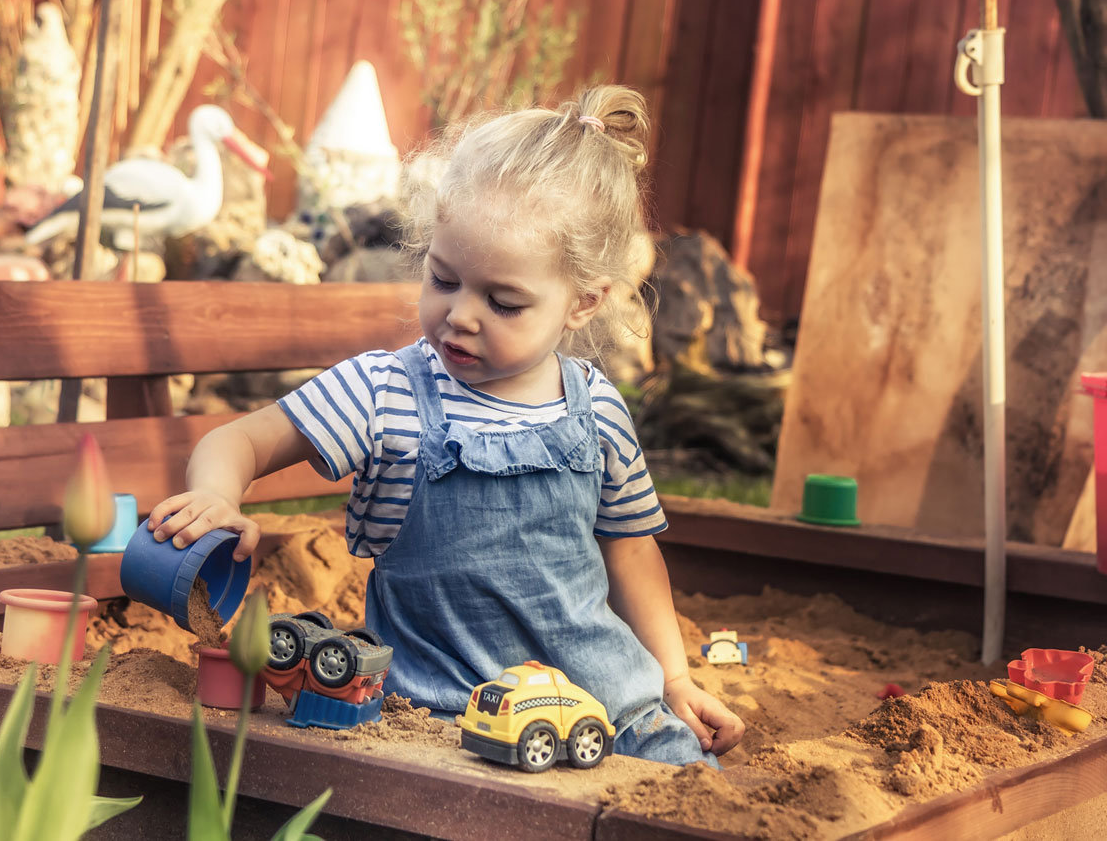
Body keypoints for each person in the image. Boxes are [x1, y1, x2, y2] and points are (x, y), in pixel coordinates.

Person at [148, 85, 745, 765]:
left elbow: (632, 550)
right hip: (443, 719)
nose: (461, 314)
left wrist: (671, 678)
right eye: (444, 277)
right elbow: (239, 439)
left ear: (582, 302)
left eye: (504, 300)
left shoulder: (597, 407)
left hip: (608, 707)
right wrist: (218, 497)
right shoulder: (387, 391)